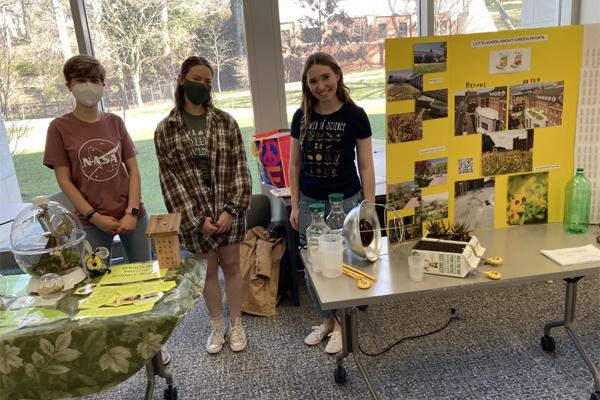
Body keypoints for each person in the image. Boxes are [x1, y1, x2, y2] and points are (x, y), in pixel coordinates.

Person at [154, 56, 252, 354]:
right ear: (181, 79)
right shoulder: (165, 129)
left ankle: (236, 323)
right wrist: (196, 219)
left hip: (227, 210)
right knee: (208, 272)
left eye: (208, 82)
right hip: (194, 216)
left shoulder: (226, 122)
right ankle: (216, 326)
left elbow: (240, 168)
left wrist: (230, 210)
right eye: (197, 79)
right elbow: (170, 182)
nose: (203, 86)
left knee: (232, 266)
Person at [289, 52, 375, 354]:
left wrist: (368, 208)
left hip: (347, 202)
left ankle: (341, 325)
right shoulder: (301, 116)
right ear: (306, 84)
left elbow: (365, 165)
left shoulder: (356, 115)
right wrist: (296, 206)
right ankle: (327, 319)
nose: (320, 85)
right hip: (311, 203)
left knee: (343, 264)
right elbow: (295, 164)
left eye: (325, 77)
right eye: (313, 80)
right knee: (314, 266)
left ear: (337, 75)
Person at [43, 54, 152, 265]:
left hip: (132, 216)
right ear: (69, 86)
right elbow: (65, 181)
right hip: (90, 222)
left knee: (145, 276)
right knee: (97, 280)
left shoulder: (115, 122)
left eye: (94, 81)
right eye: (81, 80)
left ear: (103, 85)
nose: (89, 86)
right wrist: (94, 216)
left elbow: (133, 171)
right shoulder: (58, 128)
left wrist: (132, 212)